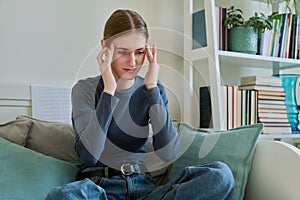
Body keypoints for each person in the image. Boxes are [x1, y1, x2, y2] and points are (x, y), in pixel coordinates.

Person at [46, 9, 234, 200]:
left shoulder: (153, 90)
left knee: (220, 175)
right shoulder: (84, 89)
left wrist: (152, 88)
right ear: (105, 47)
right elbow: (90, 155)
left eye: (139, 52)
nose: (133, 62)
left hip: (144, 189)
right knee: (61, 196)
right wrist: (109, 90)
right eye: (123, 52)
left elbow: (169, 153)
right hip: (101, 189)